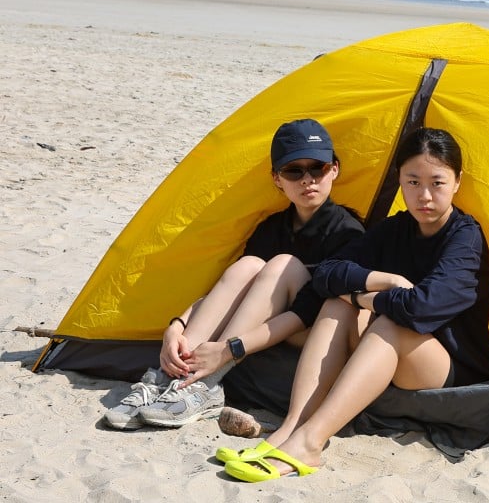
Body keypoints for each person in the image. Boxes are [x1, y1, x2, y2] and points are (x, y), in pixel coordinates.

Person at [219, 127, 489, 482]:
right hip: (400, 347)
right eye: (412, 182)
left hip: (447, 364)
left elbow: (422, 307)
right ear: (400, 181)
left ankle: (311, 441)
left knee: (389, 322)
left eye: (437, 183)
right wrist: (375, 287)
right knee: (337, 305)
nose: (424, 195)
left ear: (457, 182)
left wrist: (366, 297)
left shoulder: (465, 237)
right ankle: (290, 428)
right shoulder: (397, 228)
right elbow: (327, 274)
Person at [104, 119, 364, 430]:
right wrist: (178, 325)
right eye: (294, 171)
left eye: (317, 168)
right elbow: (231, 290)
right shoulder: (273, 227)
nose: (307, 179)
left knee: (282, 264)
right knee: (249, 265)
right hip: (270, 323)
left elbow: (310, 310)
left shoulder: (349, 232)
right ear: (277, 179)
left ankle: (206, 384)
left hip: (316, 329)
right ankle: (165, 379)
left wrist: (228, 350)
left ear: (334, 169)